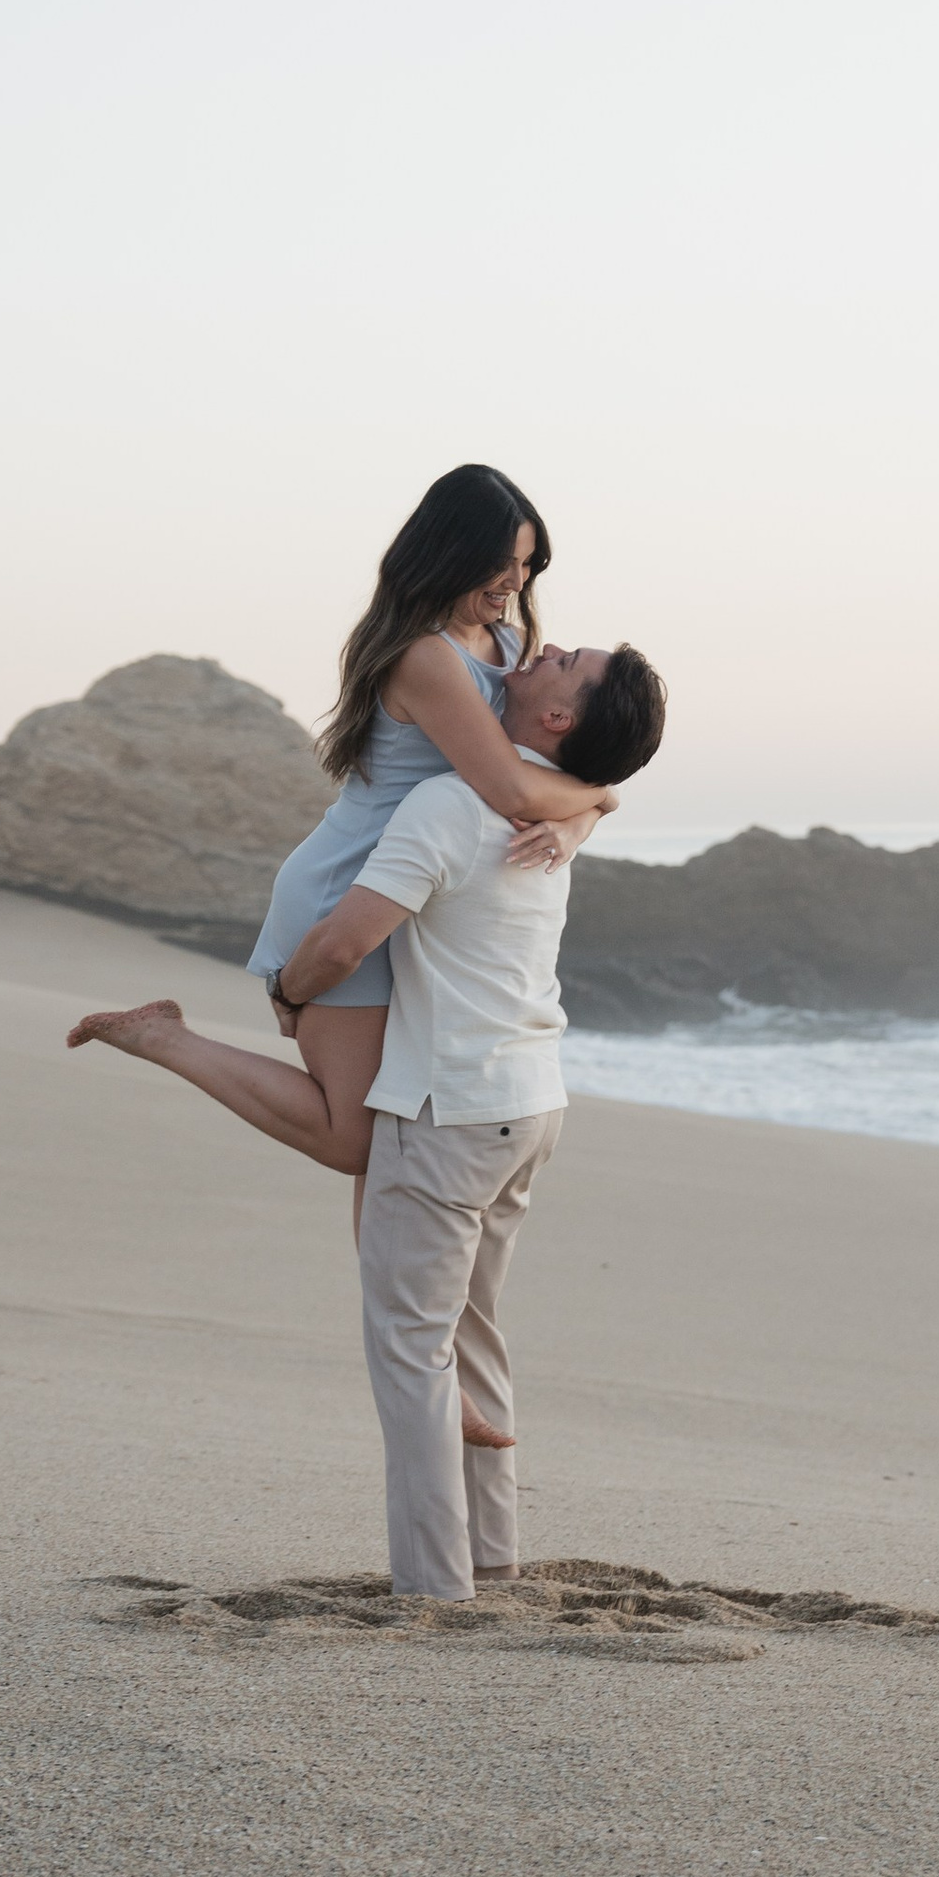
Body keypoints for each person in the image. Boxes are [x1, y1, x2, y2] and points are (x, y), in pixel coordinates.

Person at [66, 461, 615, 1185]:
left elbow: (571, 769)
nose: (515, 580)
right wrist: (597, 803)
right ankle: (162, 1038)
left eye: (526, 563)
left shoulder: (511, 650)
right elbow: (517, 787)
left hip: (418, 905)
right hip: (350, 890)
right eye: (500, 561)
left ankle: (387, 1300)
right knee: (353, 1139)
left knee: (393, 1134)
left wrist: (582, 819)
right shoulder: (425, 656)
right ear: (448, 551)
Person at [271, 632, 667, 1596]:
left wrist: (290, 987)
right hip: (531, 1104)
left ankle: (436, 1589)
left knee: (411, 1354)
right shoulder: (544, 820)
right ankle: (490, 1558)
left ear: (559, 718)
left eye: (568, 662)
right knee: (472, 1332)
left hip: (450, 1116)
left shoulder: (450, 804)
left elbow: (350, 938)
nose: (549, 643)